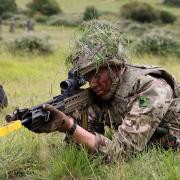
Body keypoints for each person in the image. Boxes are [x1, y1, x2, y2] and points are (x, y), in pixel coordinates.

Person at [33, 22, 180, 163]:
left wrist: (70, 126)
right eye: (88, 77)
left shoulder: (152, 89)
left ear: (115, 68)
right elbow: (80, 148)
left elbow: (121, 154)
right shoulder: (101, 93)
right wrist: (74, 120)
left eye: (97, 75)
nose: (93, 83)